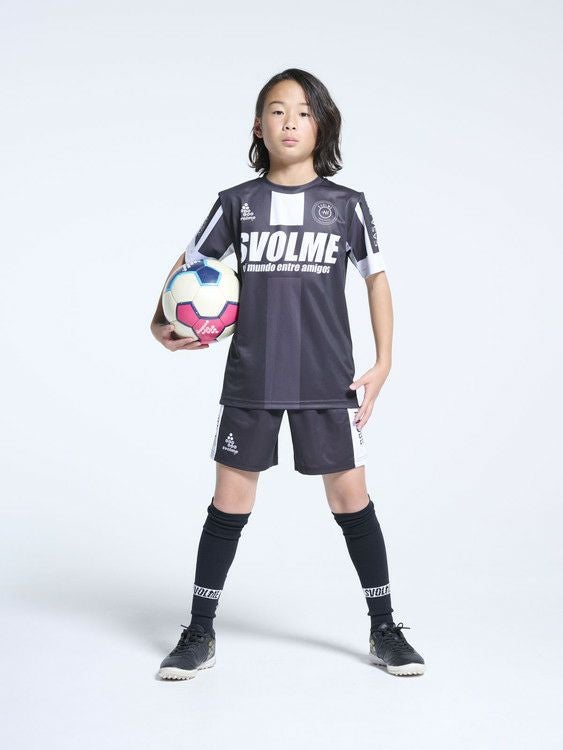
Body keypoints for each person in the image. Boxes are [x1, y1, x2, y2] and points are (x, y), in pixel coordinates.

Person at [150, 68, 425, 679]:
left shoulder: (346, 206)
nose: (290, 122)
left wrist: (383, 362)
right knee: (229, 501)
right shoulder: (237, 203)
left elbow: (376, 278)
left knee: (351, 498)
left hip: (328, 379)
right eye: (277, 111)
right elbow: (190, 264)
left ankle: (385, 628)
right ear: (259, 126)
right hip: (253, 376)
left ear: (321, 125)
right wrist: (158, 321)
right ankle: (199, 631)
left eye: (303, 112)